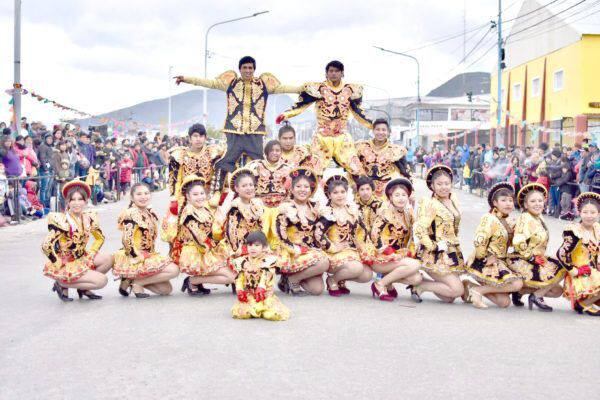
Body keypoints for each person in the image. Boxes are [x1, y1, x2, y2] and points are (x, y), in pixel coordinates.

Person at [175, 56, 301, 196]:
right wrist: (186, 78)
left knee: (261, 163)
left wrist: (302, 89)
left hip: (255, 133)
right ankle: (217, 194)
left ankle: (261, 193)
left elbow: (283, 88)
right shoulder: (231, 82)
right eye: (245, 68)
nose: (248, 70)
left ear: (254, 69)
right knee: (224, 162)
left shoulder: (263, 84)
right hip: (234, 132)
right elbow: (208, 83)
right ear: (240, 69)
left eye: (250, 68)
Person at [277, 60, 370, 178]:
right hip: (322, 137)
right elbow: (301, 105)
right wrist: (286, 115)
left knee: (356, 168)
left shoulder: (350, 90)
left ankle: (363, 194)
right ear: (326, 73)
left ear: (342, 73)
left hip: (342, 136)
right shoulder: (319, 89)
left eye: (337, 71)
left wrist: (372, 125)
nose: (334, 74)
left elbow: (358, 111)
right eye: (331, 71)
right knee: (314, 172)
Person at [41, 180, 114, 302]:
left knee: (109, 259)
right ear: (67, 202)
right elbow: (46, 245)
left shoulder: (89, 217)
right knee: (102, 281)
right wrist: (56, 261)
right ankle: (62, 284)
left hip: (81, 257)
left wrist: (91, 253)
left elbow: (100, 237)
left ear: (86, 201)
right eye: (72, 199)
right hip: (67, 262)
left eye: (80, 199)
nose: (76, 203)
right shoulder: (62, 220)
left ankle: (83, 287)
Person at [113, 183, 179, 298]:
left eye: (146, 193)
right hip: (136, 256)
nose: (143, 197)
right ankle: (137, 282)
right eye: (139, 194)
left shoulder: (149, 212)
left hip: (148, 255)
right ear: (132, 197)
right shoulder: (131, 213)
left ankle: (132, 279)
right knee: (174, 270)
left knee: (166, 290)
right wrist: (137, 257)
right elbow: (126, 239)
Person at [464, 183, 524, 309]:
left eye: (510, 200)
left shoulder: (509, 220)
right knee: (517, 283)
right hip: (486, 262)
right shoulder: (489, 218)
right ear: (495, 203)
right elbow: (479, 240)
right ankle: (478, 292)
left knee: (504, 302)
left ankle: (471, 287)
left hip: (501, 261)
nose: (508, 203)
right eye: (503, 200)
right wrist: (486, 258)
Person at [413, 165, 465, 303]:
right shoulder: (430, 204)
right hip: (435, 253)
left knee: (449, 298)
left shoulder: (453, 199)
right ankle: (420, 285)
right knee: (457, 290)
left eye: (447, 183)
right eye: (439, 184)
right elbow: (419, 228)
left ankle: (420, 285)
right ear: (432, 186)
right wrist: (433, 246)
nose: (444, 187)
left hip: (452, 251)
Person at [176, 175, 234, 296]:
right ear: (188, 196)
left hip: (207, 248)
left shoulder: (204, 209)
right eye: (195, 194)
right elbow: (199, 238)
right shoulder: (189, 212)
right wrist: (216, 246)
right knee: (231, 277)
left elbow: (213, 229)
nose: (200, 197)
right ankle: (193, 281)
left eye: (202, 193)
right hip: (198, 252)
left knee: (232, 272)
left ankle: (197, 282)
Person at [511, 183, 565, 311]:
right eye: (533, 201)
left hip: (537, 258)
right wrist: (531, 258)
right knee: (562, 268)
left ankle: (521, 292)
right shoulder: (525, 218)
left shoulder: (538, 217)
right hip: (524, 260)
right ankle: (536, 296)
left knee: (557, 291)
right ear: (525, 205)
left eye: (540, 201)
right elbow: (518, 241)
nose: (537, 204)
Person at [315, 174, 372, 296]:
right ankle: (332, 280)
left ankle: (341, 279)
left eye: (342, 191)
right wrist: (333, 247)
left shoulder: (352, 210)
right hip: (333, 253)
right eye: (335, 193)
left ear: (347, 193)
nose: (340, 195)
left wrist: (363, 248)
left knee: (367, 275)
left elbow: (361, 232)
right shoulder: (327, 212)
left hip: (351, 251)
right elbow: (318, 234)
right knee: (356, 268)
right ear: (329, 195)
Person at [275, 168, 329, 296]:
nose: (302, 190)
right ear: (292, 189)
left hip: (310, 252)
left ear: (311, 190)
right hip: (293, 252)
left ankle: (290, 279)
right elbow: (280, 236)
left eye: (306, 187)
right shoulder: (286, 208)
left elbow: (321, 232)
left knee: (317, 290)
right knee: (324, 262)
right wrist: (296, 250)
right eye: (298, 186)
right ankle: (292, 278)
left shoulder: (315, 208)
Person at [370, 178, 422, 302]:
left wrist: (409, 252)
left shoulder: (408, 214)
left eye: (404, 195)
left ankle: (387, 282)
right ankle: (380, 284)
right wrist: (388, 251)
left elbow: (416, 234)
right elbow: (374, 235)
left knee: (416, 279)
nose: (401, 198)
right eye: (397, 195)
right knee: (415, 265)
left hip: (398, 257)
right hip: (382, 257)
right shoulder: (385, 212)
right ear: (390, 197)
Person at [556, 192, 600, 316]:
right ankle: (583, 304)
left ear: (598, 214)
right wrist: (573, 270)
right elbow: (560, 253)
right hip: (580, 274)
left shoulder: (597, 228)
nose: (589, 216)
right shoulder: (574, 231)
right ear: (579, 212)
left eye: (593, 212)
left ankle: (589, 301)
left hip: (593, 271)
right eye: (585, 212)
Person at [231, 231, 290, 321]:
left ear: (264, 247)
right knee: (242, 313)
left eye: (257, 245)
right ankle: (255, 309)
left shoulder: (269, 260)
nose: (252, 248)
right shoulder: (242, 261)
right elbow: (240, 277)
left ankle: (262, 309)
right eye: (250, 245)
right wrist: (239, 290)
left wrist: (261, 287)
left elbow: (265, 276)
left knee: (272, 314)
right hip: (249, 295)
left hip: (265, 295)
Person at [246, 140, 291, 248]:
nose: (275, 153)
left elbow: (290, 189)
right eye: (272, 150)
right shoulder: (256, 166)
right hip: (260, 206)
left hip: (280, 206)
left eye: (278, 150)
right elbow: (248, 185)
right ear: (266, 152)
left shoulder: (287, 168)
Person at [168, 123, 224, 210]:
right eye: (195, 136)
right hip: (187, 200)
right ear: (190, 138)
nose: (198, 139)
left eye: (201, 136)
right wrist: (174, 199)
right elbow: (176, 179)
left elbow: (219, 175)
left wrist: (217, 194)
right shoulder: (180, 155)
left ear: (205, 138)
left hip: (208, 199)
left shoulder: (213, 153)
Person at [213, 168, 265, 257]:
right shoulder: (235, 207)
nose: (249, 188)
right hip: (240, 247)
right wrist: (238, 251)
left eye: (251, 185)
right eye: (244, 186)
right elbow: (232, 234)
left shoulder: (255, 204)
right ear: (237, 189)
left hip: (254, 244)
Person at [355, 118, 410, 198]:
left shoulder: (396, 150)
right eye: (378, 129)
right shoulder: (362, 147)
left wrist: (411, 190)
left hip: (386, 191)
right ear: (373, 131)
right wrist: (354, 183)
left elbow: (405, 171)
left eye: (384, 130)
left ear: (388, 132)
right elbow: (353, 167)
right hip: (365, 191)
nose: (380, 132)